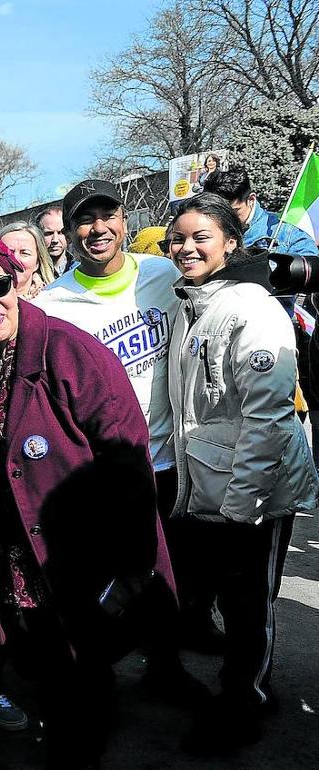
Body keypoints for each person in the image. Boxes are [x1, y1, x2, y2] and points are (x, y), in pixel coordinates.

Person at [0, 234, 176, 768]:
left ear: (16, 280)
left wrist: (133, 567)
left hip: (82, 555)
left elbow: (128, 460)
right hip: (17, 557)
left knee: (81, 684)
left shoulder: (71, 352)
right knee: (49, 672)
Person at [34, 180, 204, 690]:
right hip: (107, 467)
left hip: (171, 455)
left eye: (107, 215)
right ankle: (99, 677)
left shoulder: (165, 275)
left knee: (171, 574)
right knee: (115, 577)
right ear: (66, 232)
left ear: (125, 220)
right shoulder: (53, 304)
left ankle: (166, 668)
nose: (97, 228)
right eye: (85, 220)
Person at [166, 194, 319, 755]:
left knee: (251, 605)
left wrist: (242, 507)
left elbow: (269, 418)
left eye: (201, 236)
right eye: (177, 238)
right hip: (217, 488)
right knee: (233, 601)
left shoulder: (250, 305)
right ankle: (246, 689)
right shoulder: (198, 305)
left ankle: (244, 705)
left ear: (231, 241)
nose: (186, 248)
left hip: (253, 496)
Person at [203, 167, 319, 257]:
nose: (224, 219)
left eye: (233, 212)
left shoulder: (286, 232)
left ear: (251, 199)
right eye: (217, 212)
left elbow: (308, 272)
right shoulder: (203, 233)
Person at [0, 221, 56, 299]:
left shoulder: (50, 301)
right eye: (8, 252)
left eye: (24, 253)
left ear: (37, 263)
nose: (15, 259)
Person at [34, 205, 71, 275]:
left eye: (60, 233)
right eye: (49, 233)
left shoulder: (83, 270)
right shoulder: (31, 275)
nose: (55, 240)